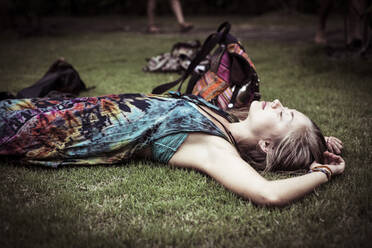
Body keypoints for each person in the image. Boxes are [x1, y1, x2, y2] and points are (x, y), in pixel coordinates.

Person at [0, 93, 344, 206]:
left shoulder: (210, 145)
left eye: (284, 114)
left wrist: (325, 171)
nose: (279, 102)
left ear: (267, 144)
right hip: (67, 108)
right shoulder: (226, 119)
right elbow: (282, 139)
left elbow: (268, 194)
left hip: (51, 131)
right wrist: (317, 141)